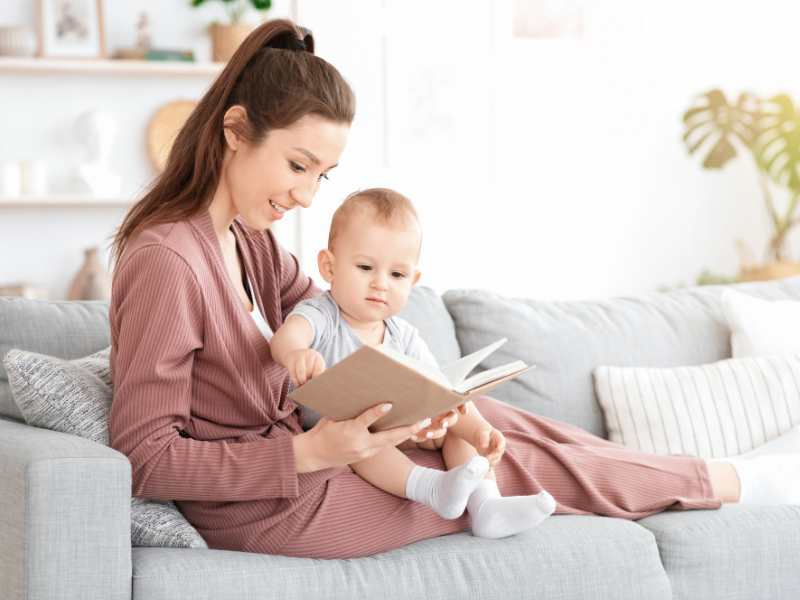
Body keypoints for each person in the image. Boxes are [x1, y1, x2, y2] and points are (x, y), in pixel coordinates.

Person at [107, 18, 797, 561]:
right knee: (514, 469)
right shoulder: (168, 260)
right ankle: (736, 484)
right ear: (234, 130)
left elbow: (342, 316)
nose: (307, 194)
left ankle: (714, 475)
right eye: (297, 165)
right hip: (271, 503)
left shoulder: (251, 240)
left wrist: (422, 407)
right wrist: (310, 453)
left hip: (326, 456)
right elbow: (142, 458)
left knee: (496, 427)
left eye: (323, 174)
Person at [269, 187, 557, 538]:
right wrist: (296, 353)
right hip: (347, 433)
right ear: (329, 266)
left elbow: (442, 388)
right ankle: (432, 488)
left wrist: (476, 429)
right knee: (362, 445)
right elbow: (287, 336)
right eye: (364, 267)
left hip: (402, 425)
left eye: (397, 275)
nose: (380, 284)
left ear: (413, 280)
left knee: (456, 415)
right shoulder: (323, 314)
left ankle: (486, 503)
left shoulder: (402, 333)